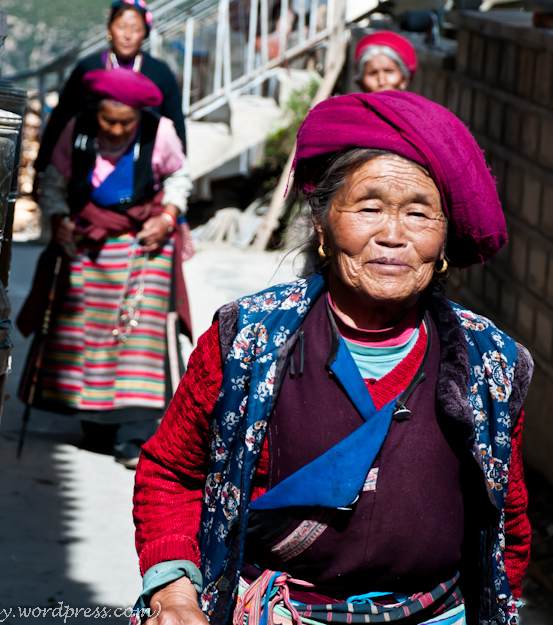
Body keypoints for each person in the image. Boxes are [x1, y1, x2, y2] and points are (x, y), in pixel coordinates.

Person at [131, 91, 532, 625]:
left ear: (444, 238)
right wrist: (175, 595)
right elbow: (170, 475)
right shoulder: (248, 340)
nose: (393, 235)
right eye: (369, 208)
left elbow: (508, 521)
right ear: (321, 224)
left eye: (419, 213)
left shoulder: (489, 364)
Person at [17, 67, 192, 469]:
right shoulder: (76, 129)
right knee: (89, 334)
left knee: (137, 343)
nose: (115, 129)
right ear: (95, 112)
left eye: (124, 122)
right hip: (87, 243)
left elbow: (180, 177)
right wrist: (57, 218)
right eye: (108, 120)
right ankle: (95, 423)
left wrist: (167, 218)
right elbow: (56, 181)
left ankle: (133, 433)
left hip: (141, 245)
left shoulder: (158, 131)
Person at [33, 0, 186, 195]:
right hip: (86, 169)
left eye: (135, 28)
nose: (127, 35)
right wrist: (41, 166)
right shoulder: (87, 68)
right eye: (121, 26)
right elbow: (61, 117)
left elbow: (176, 124)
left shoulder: (160, 73)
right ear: (110, 28)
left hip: (142, 176)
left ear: (145, 33)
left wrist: (177, 174)